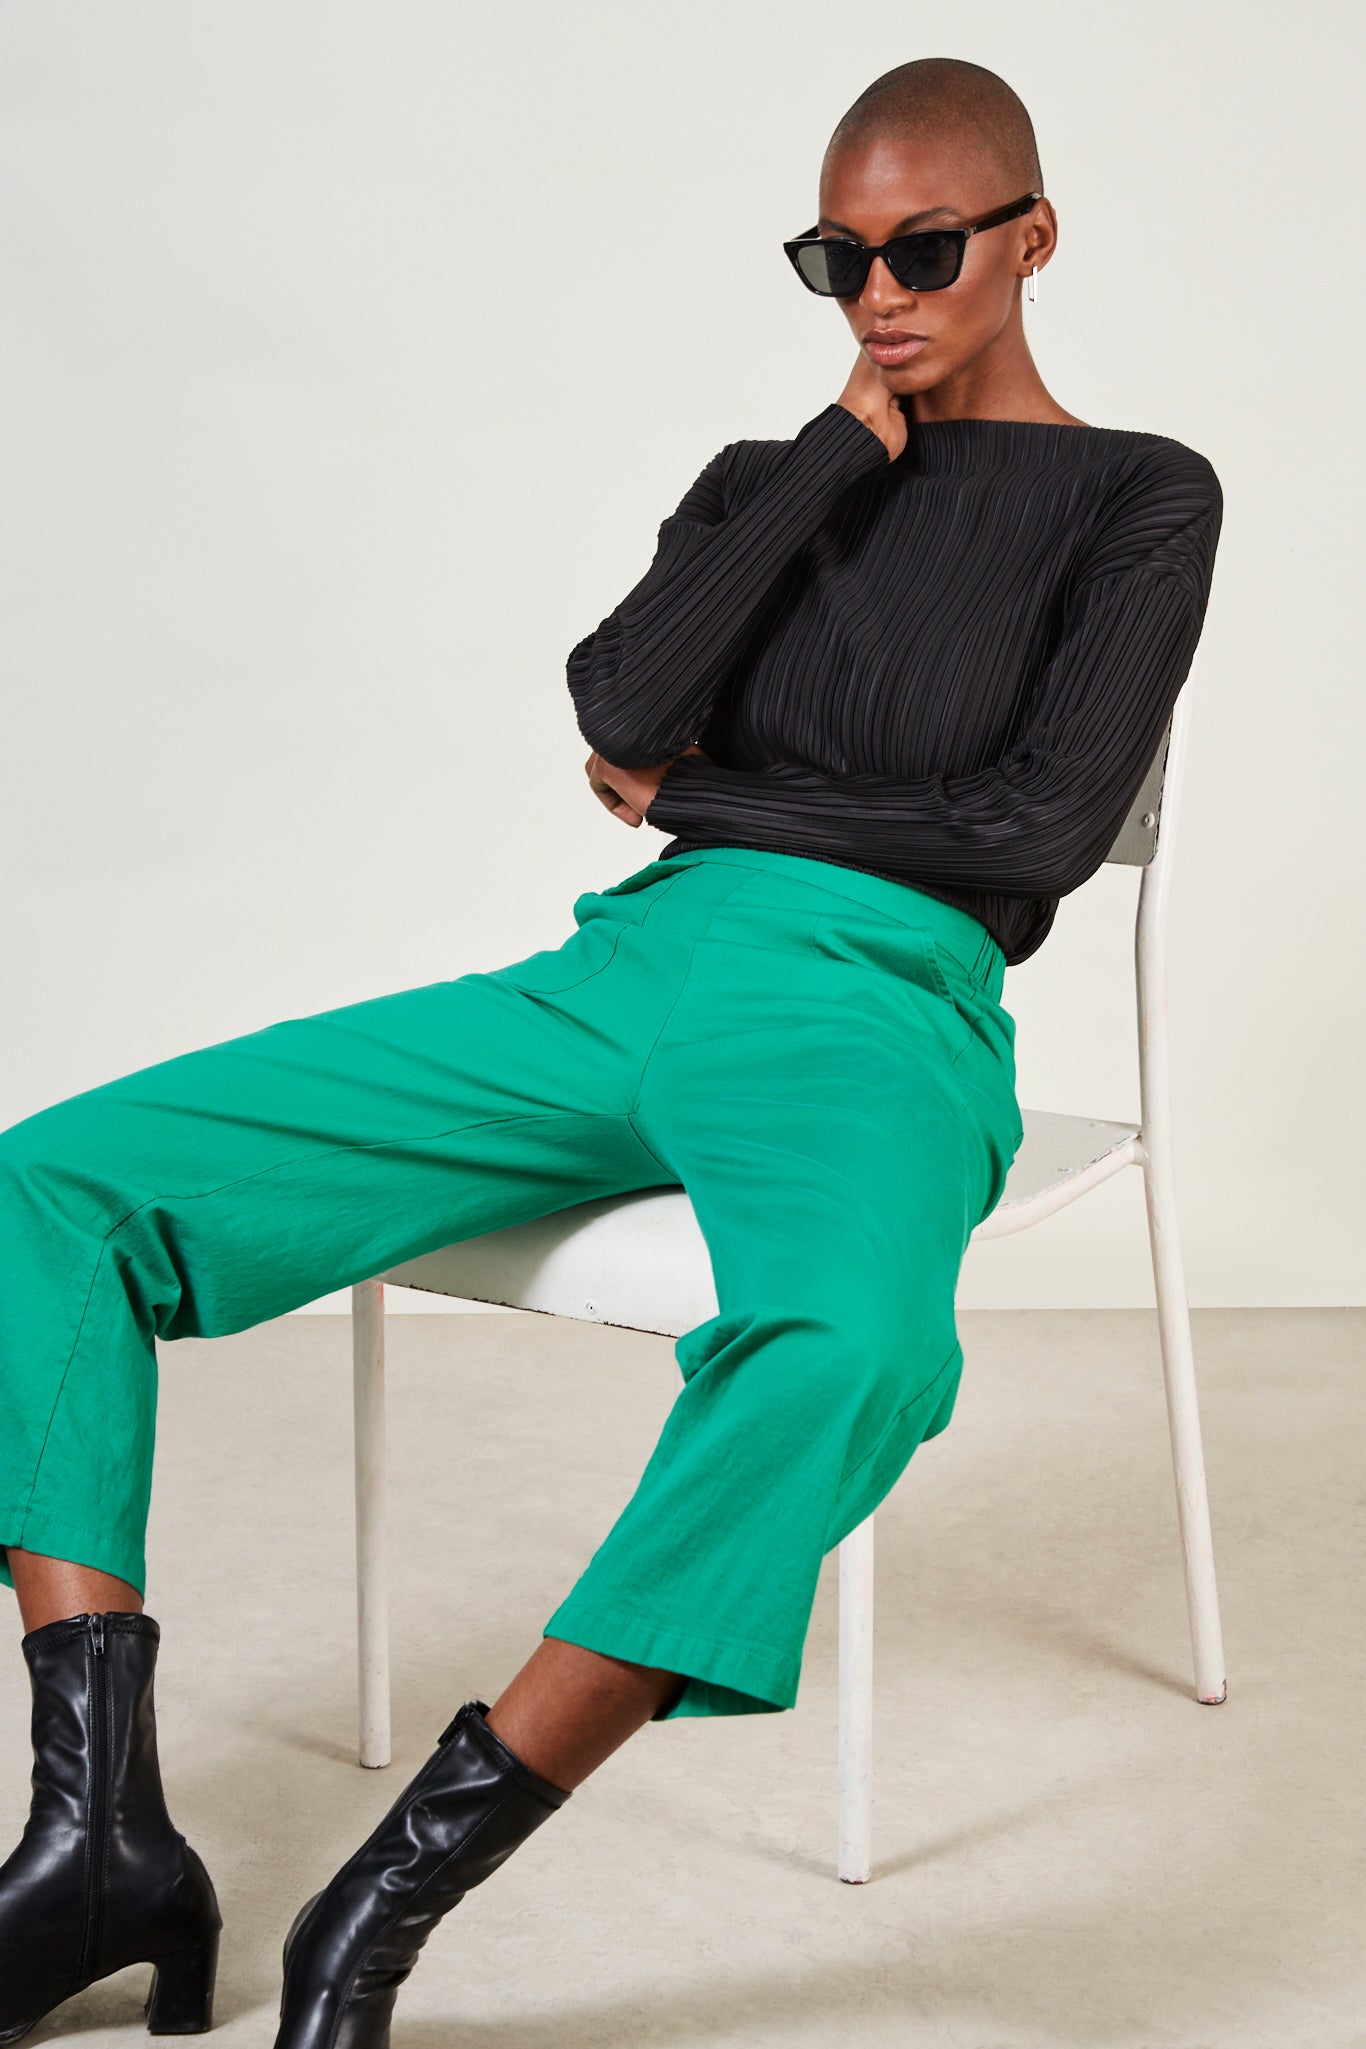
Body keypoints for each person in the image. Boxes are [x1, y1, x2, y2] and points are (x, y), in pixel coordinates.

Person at [0, 54, 1223, 2049]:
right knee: (54, 1180)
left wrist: (704, 794)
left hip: (873, 1005)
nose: (876, 294)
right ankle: (95, 1838)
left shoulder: (1139, 492)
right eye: (834, 259)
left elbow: (1030, 829)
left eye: (920, 250)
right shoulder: (768, 477)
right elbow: (617, 700)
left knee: (850, 1346)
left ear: (1031, 237)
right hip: (626, 969)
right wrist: (832, 457)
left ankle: (399, 1881)